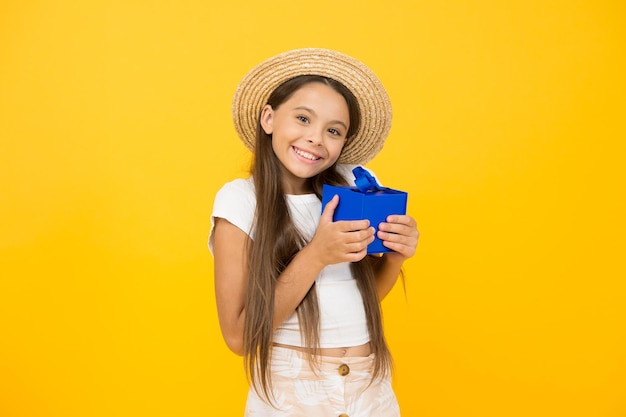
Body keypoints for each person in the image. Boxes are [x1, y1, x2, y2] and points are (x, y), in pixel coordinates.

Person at [208, 48, 419, 417]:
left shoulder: (354, 189)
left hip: (370, 391)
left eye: (333, 130)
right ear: (269, 118)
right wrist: (316, 255)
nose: (316, 138)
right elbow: (239, 337)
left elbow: (362, 298)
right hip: (291, 394)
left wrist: (397, 253)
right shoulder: (241, 201)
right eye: (303, 118)